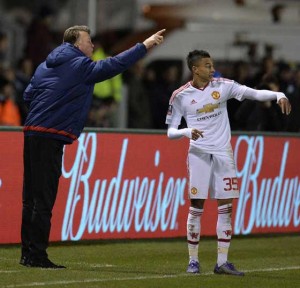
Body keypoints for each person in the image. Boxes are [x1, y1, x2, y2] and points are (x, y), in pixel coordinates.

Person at [20, 25, 165, 269]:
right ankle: (37, 256)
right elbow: (114, 65)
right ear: (77, 44)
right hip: (50, 136)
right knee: (44, 200)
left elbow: (27, 96)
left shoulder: (45, 65)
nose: (93, 46)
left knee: (30, 199)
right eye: (89, 41)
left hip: (33, 132)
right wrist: (145, 45)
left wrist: (45, 111)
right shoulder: (80, 67)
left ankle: (27, 253)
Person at [165, 50, 291, 276]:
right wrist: (185, 131)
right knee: (196, 207)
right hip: (199, 154)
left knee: (226, 208)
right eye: (207, 65)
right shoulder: (180, 95)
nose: (212, 69)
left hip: (223, 154)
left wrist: (277, 94)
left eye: (212, 65)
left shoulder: (223, 85)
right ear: (195, 69)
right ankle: (193, 261)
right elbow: (171, 132)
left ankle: (222, 262)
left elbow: (254, 94)